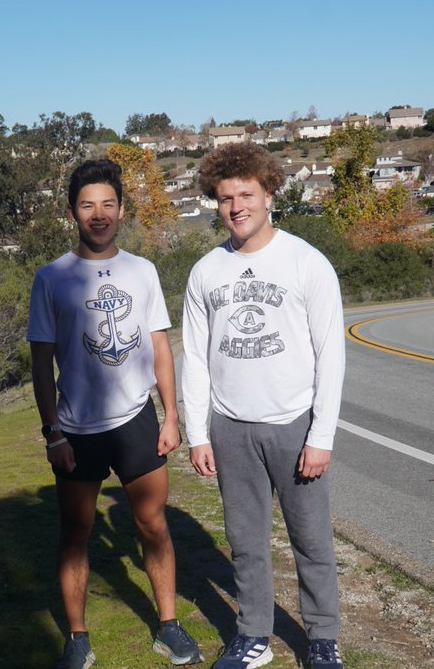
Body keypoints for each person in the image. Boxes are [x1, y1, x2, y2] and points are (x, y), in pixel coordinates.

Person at [28, 159, 203, 668]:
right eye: (88, 205)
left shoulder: (142, 271)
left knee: (153, 525)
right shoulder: (51, 278)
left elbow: (160, 348)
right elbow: (41, 362)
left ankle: (169, 626)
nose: (99, 214)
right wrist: (52, 433)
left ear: (122, 210)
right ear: (72, 213)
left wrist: (171, 416)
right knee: (75, 534)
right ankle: (78, 638)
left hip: (136, 420)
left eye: (108, 204)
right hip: (77, 429)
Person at [181, 143, 345, 669]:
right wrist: (198, 432)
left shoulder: (306, 262)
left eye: (246, 194)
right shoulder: (206, 272)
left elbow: (331, 355)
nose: (236, 207)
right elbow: (195, 358)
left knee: (312, 542)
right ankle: (253, 636)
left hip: (294, 426)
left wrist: (320, 437)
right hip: (231, 428)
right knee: (246, 543)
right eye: (225, 198)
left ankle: (322, 639)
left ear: (269, 193)